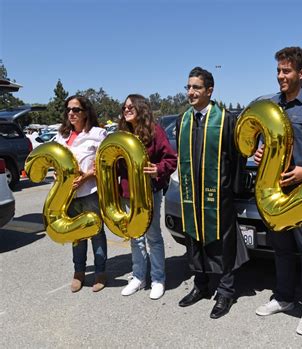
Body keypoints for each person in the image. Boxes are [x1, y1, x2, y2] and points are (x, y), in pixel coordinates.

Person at [254, 47, 302, 336]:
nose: (280, 76)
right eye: (279, 71)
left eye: (286, 71)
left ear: (301, 73)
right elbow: (265, 141)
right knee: (281, 249)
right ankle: (283, 297)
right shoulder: (272, 106)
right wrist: (259, 152)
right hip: (275, 192)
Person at [176, 67, 249, 319]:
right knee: (194, 240)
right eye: (188, 87)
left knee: (223, 243)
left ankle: (226, 291)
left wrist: (232, 188)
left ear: (209, 90)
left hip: (218, 195)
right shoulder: (183, 120)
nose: (191, 92)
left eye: (196, 87)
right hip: (191, 194)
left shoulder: (226, 119)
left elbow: (238, 158)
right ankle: (201, 285)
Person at [119, 94, 177, 300]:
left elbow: (171, 159)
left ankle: (158, 279)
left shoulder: (155, 130)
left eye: (130, 107)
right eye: (124, 107)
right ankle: (138, 277)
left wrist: (157, 169)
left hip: (150, 191)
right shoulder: (122, 134)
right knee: (135, 236)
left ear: (141, 108)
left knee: (153, 236)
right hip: (128, 193)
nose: (126, 110)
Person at [56, 95, 108, 293]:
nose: (71, 113)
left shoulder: (98, 134)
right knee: (76, 234)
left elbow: (104, 165)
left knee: (96, 232)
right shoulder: (61, 135)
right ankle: (79, 272)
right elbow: (56, 161)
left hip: (90, 192)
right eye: (69, 109)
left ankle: (100, 272)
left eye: (76, 109)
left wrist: (86, 177)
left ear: (86, 112)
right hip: (68, 194)